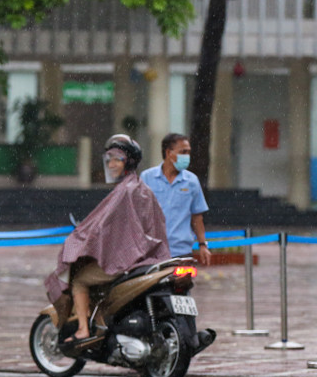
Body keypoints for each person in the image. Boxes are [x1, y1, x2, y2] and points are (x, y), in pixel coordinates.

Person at [45, 134, 171, 343]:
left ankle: (83, 330)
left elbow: (103, 228)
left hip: (128, 260)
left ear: (128, 162)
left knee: (79, 280)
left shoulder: (125, 192)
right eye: (109, 159)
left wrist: (82, 236)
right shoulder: (141, 189)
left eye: (117, 159)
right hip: (147, 258)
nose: (111, 164)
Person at [140, 133, 212, 265]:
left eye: (188, 152)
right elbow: (138, 214)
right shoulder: (147, 178)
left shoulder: (191, 181)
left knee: (182, 284)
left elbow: (197, 217)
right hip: (152, 252)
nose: (187, 156)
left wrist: (203, 245)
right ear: (169, 153)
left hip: (181, 251)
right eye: (183, 152)